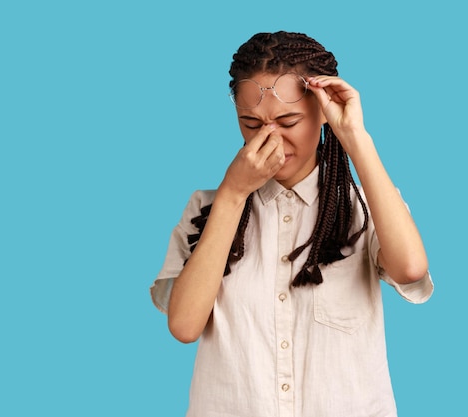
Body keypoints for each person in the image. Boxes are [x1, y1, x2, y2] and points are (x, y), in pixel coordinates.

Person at [150, 31, 434, 417]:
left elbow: (411, 269)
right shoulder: (206, 209)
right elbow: (184, 326)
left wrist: (354, 136)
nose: (270, 137)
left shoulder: (368, 207)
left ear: (322, 110)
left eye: (288, 120)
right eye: (251, 123)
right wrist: (233, 193)